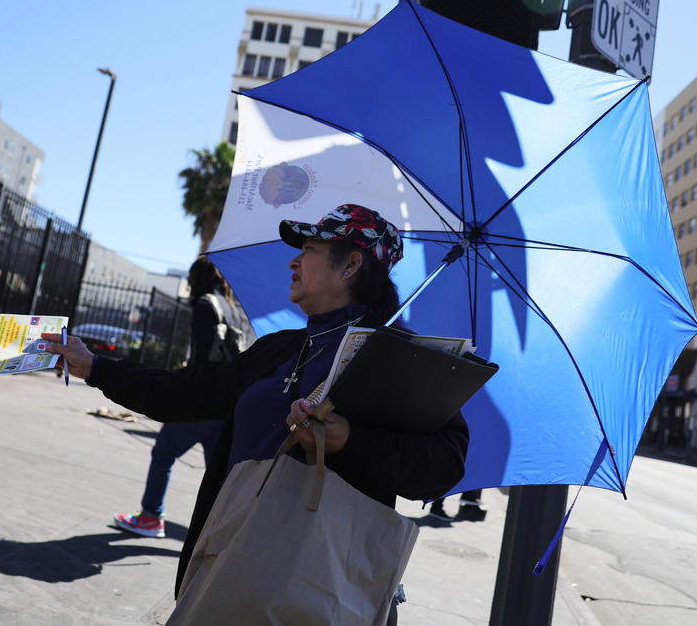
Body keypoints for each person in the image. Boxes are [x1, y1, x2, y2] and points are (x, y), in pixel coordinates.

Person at [44, 204, 468, 621]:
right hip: (229, 559)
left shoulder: (392, 357)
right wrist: (96, 367)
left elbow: (445, 461)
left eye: (310, 248)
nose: (294, 260)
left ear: (350, 265)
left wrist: (349, 442)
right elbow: (186, 392)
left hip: (320, 588)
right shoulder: (279, 348)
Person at [112, 256, 249, 538]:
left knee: (163, 452)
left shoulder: (204, 304)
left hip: (201, 399)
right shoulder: (231, 308)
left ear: (196, 278)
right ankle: (226, 530)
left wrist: (187, 379)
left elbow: (202, 355)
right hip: (226, 401)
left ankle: (150, 517)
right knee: (218, 474)